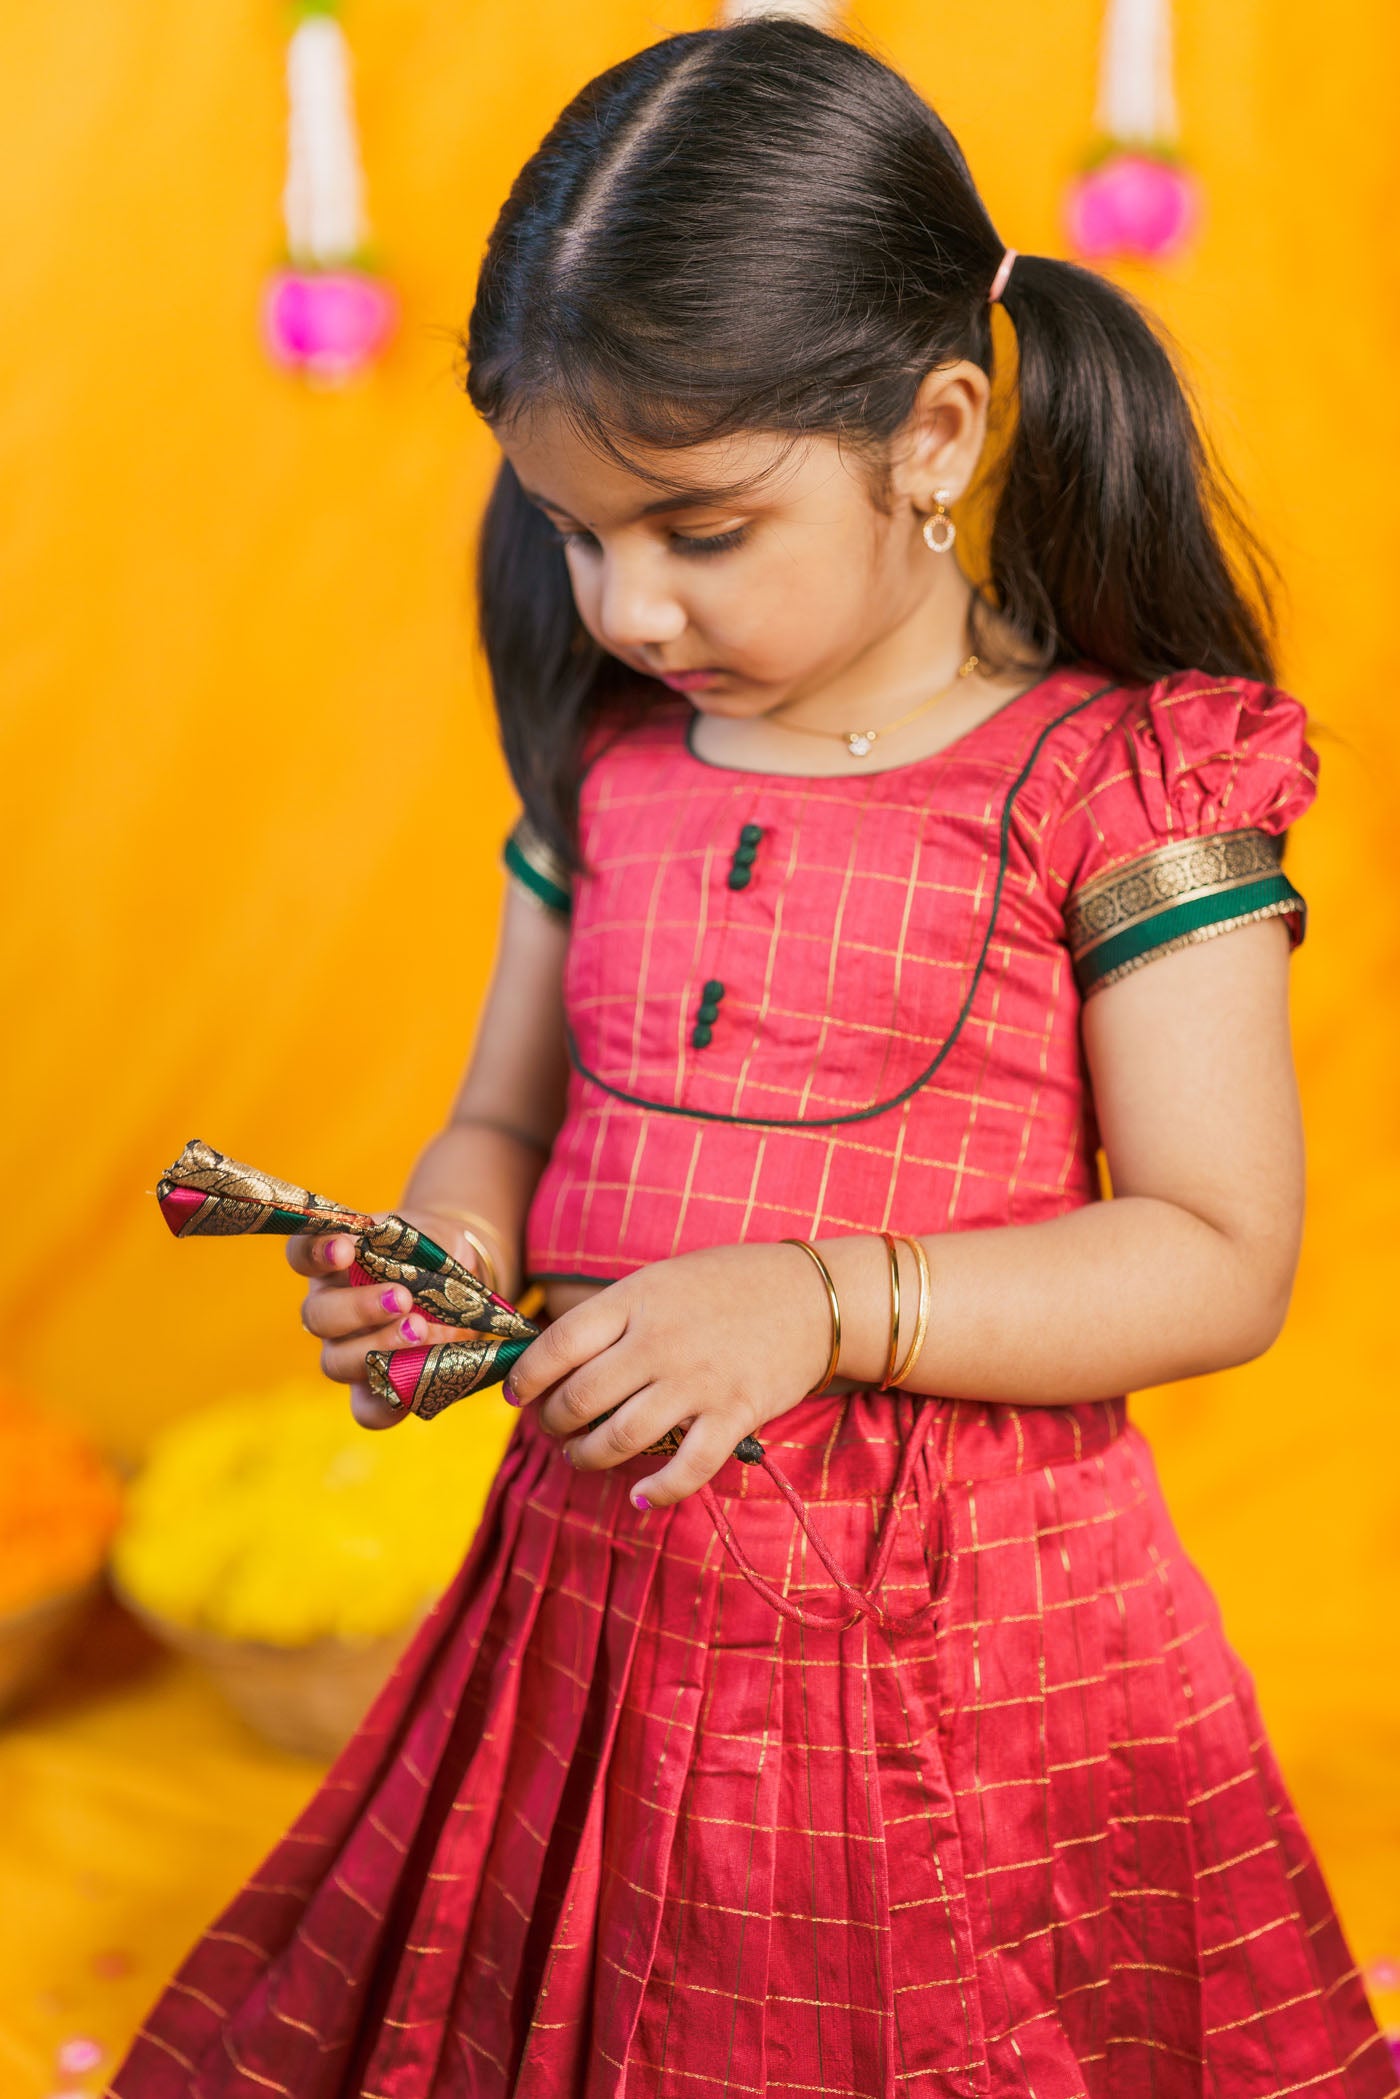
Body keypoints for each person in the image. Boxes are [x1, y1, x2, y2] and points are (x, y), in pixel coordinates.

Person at [111, 19, 1396, 2098]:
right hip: (591, 1630)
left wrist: (816, 1301)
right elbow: (508, 1113)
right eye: (575, 529)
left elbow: (1217, 1253)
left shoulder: (1121, 784)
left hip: (975, 1656)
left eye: (698, 529)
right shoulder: (613, 769)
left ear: (933, 434)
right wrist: (445, 1246)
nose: (624, 604)